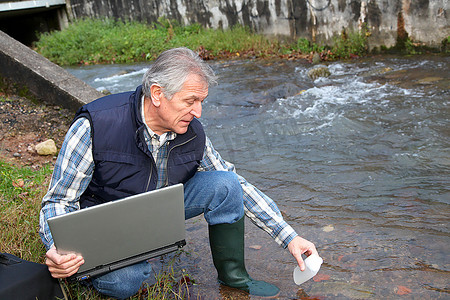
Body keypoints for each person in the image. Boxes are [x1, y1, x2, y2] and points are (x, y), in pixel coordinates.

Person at [39, 47, 318, 299]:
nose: (198, 112)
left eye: (202, 101)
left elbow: (237, 185)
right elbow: (58, 202)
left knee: (227, 184)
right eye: (191, 101)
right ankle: (93, 271)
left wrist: (289, 237)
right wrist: (58, 250)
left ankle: (234, 277)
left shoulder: (192, 132)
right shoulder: (96, 126)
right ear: (158, 94)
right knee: (126, 281)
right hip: (108, 220)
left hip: (159, 206)